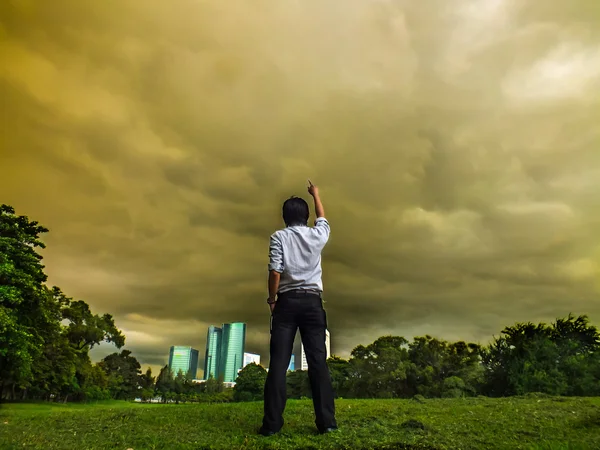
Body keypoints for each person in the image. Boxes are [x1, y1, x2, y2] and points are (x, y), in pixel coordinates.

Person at [259, 180, 338, 436]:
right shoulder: (317, 235)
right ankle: (326, 423)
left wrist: (272, 299)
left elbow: (275, 271)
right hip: (313, 302)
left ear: (284, 217)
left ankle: (271, 426)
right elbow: (323, 218)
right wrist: (316, 194)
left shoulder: (278, 237)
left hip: (286, 303)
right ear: (306, 217)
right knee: (318, 363)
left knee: (279, 364)